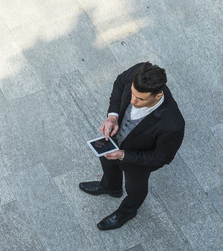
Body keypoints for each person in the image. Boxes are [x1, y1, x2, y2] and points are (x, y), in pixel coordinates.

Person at [79, 62, 185, 230]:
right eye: (132, 94)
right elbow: (120, 83)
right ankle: (111, 187)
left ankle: (127, 212)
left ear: (157, 96)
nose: (132, 101)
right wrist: (112, 116)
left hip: (137, 163)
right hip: (113, 140)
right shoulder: (138, 71)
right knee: (107, 163)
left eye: (140, 99)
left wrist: (124, 156)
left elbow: (162, 157)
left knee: (135, 189)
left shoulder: (173, 124)